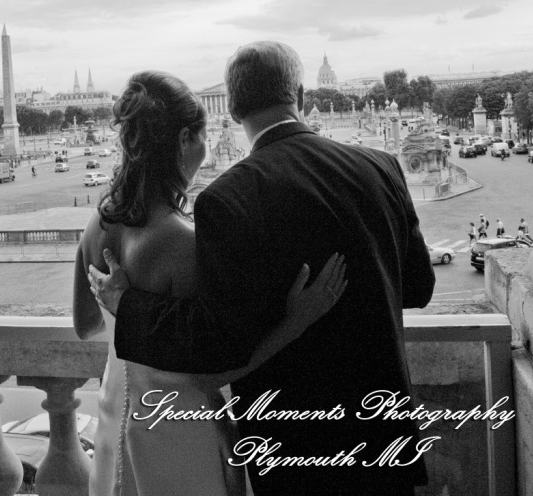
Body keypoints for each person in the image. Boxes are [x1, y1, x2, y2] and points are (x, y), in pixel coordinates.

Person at [89, 42, 434, 496]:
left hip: (291, 446)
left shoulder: (228, 199)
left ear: (232, 110)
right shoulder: (381, 166)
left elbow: (217, 343)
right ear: (302, 95)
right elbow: (418, 287)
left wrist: (126, 305)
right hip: (384, 433)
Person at [74, 70, 345, 496]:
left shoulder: (100, 219)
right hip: (177, 422)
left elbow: (85, 325)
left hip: (114, 413)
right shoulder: (185, 241)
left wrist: (123, 312)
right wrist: (299, 317)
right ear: (185, 140)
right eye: (204, 134)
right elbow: (213, 370)